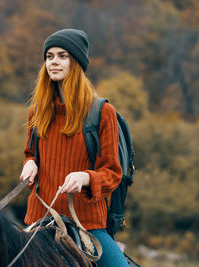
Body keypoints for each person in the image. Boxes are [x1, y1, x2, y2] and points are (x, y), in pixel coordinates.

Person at [20, 28, 129, 266]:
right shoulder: (36, 112)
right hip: (40, 219)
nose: (54, 62)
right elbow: (31, 153)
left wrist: (85, 177)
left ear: (76, 62)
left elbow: (113, 173)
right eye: (49, 56)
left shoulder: (102, 112)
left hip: (87, 225)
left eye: (62, 56)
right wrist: (30, 163)